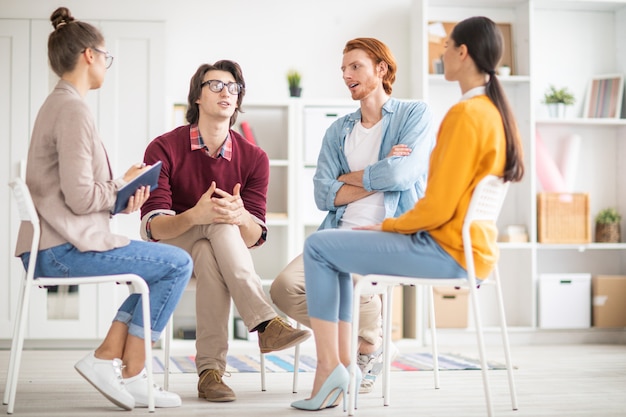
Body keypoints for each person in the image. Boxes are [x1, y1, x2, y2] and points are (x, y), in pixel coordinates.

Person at [291, 16, 525, 411]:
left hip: (442, 248)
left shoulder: (464, 115)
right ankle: (343, 365)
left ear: (463, 53)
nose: (444, 54)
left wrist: (387, 226)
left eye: (448, 46)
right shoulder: (491, 112)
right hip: (474, 251)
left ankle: (330, 368)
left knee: (318, 247)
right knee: (328, 251)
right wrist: (385, 189)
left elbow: (436, 206)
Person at [14, 7, 193, 411]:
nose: (107, 66)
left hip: (50, 246)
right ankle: (126, 371)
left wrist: (121, 193)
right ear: (90, 56)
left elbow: (74, 195)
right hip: (59, 253)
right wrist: (117, 187)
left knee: (162, 268)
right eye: (106, 57)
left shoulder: (58, 104)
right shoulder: (73, 109)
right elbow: (80, 197)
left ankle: (116, 365)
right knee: (178, 263)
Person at [270, 37, 435, 394]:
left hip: (391, 235)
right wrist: (382, 170)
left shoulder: (414, 113)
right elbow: (321, 194)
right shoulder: (338, 131)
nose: (346, 75)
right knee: (283, 289)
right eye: (343, 69)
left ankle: (352, 353)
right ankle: (372, 339)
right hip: (338, 235)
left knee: (346, 283)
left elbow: (402, 176)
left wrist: (350, 180)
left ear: (381, 69)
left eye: (355, 66)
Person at [140, 60, 311, 403]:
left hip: (216, 250)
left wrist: (240, 215)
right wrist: (195, 215)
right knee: (214, 223)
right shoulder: (163, 147)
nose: (226, 93)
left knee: (212, 244)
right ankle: (265, 324)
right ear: (197, 98)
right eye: (216, 85)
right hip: (173, 246)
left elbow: (253, 237)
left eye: (233, 88)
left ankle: (210, 373)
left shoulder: (254, 158)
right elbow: (152, 228)